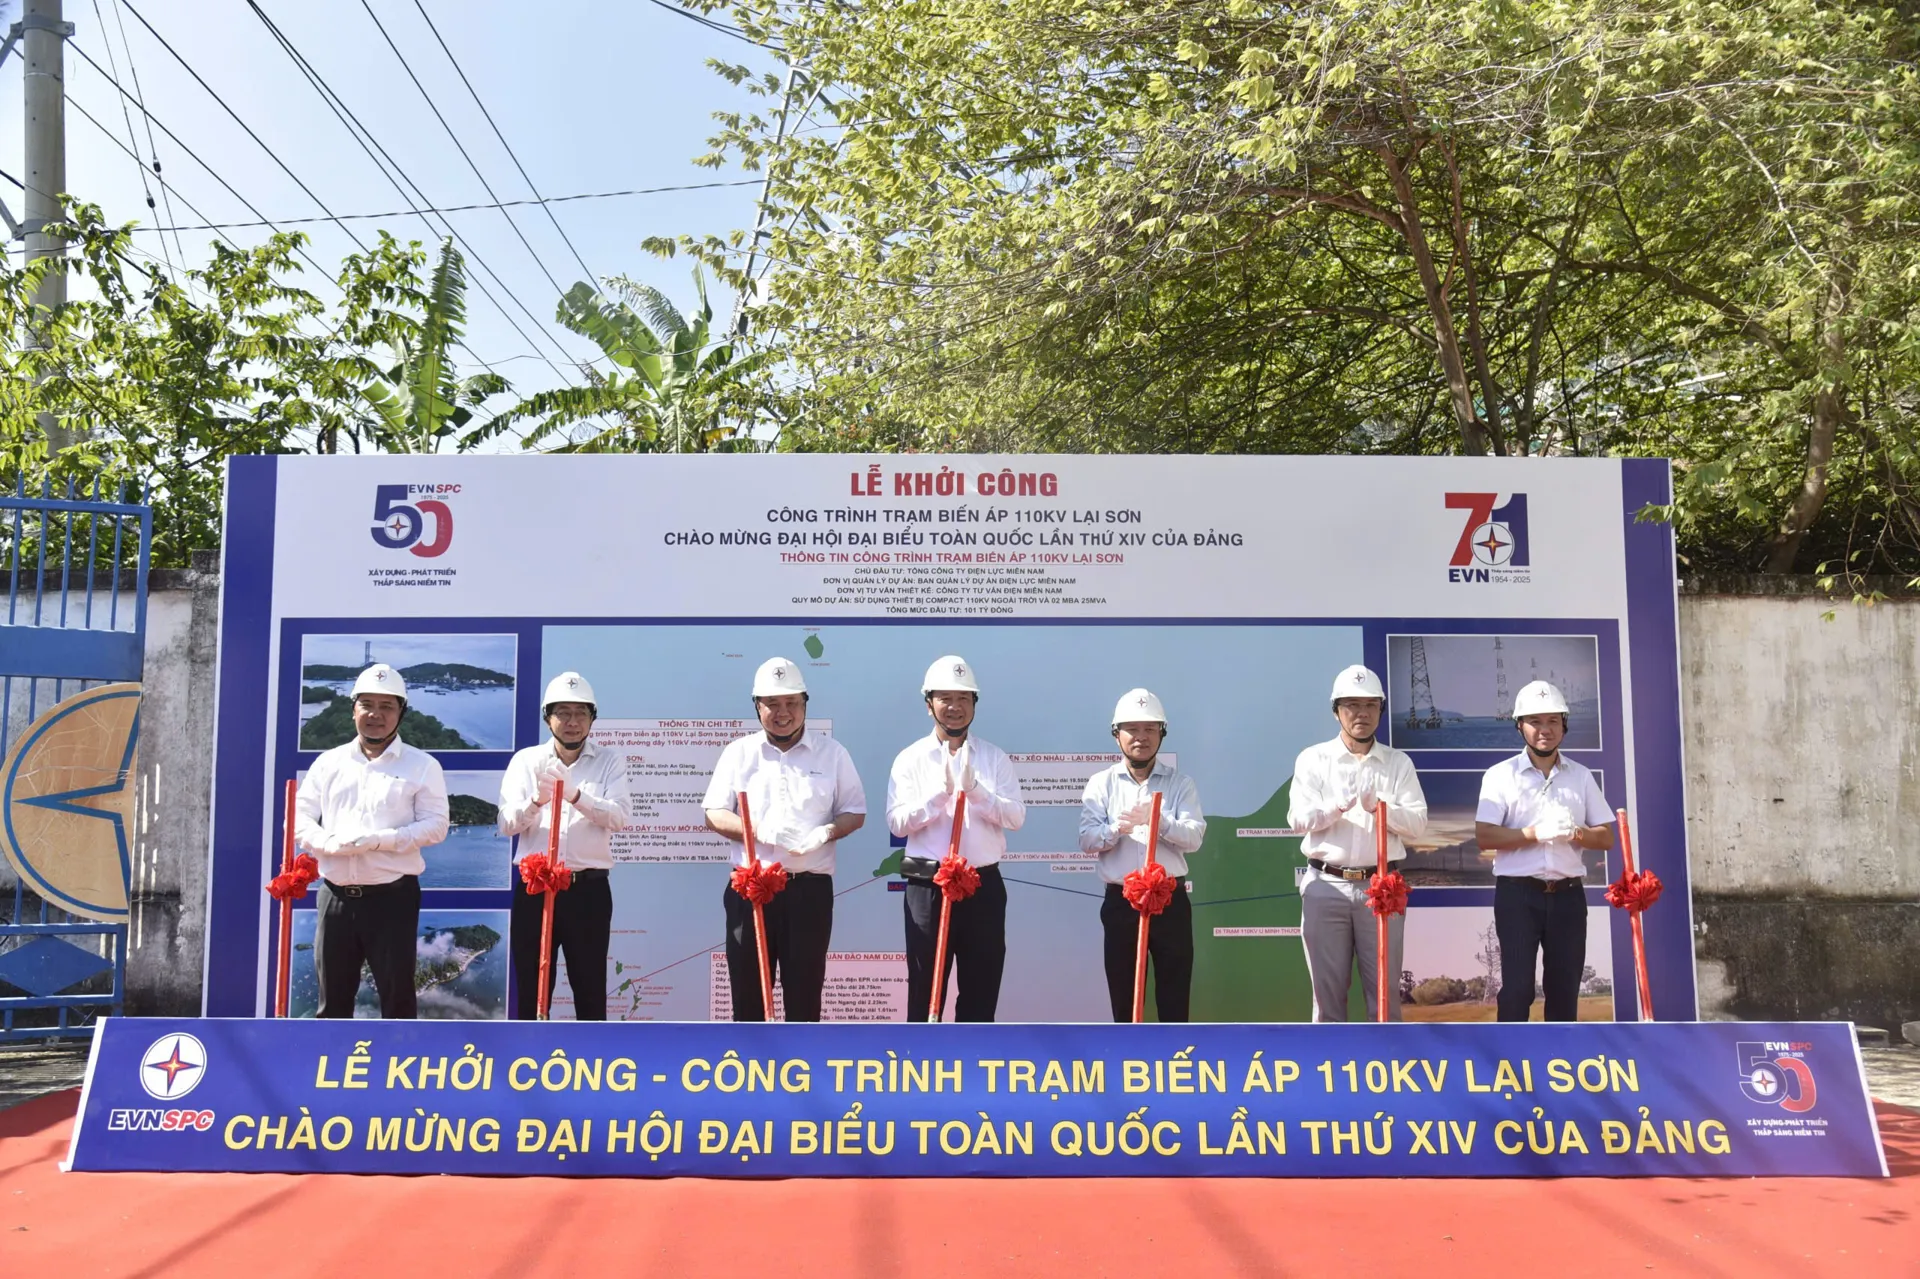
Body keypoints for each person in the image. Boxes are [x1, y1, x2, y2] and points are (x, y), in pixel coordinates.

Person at [703, 658, 866, 1021]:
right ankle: (750, 1059)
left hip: (808, 892)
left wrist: (826, 832)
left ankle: (800, 1060)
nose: (783, 713)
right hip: (751, 890)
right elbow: (714, 814)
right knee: (748, 998)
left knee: (804, 999)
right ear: (756, 706)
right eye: (772, 704)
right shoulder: (739, 753)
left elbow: (855, 812)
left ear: (805, 703)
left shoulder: (832, 754)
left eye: (792, 702)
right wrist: (759, 831)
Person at [294, 663, 448, 1018]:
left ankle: (398, 1056)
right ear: (353, 710)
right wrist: (325, 842)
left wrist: (380, 840)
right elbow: (299, 819)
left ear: (401, 713)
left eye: (386, 706)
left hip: (392, 899)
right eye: (367, 704)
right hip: (335, 898)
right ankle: (333, 1056)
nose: (375, 714)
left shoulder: (422, 765)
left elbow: (436, 826)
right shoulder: (328, 763)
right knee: (331, 1004)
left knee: (397, 1003)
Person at [887, 655, 1027, 1022]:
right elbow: (897, 823)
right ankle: (922, 1055)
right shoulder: (910, 759)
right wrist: (938, 796)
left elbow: (1015, 817)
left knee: (981, 989)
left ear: (975, 704)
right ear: (928, 704)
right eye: (945, 698)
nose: (955, 707)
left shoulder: (994, 758)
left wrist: (977, 791)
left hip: (983, 887)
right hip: (928, 885)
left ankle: (974, 1055)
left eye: (964, 698)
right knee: (925, 989)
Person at [1286, 664, 1428, 1022]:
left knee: (1384, 997)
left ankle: (1386, 1058)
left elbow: (1417, 825)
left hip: (1380, 888)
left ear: (1381, 709)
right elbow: (1297, 820)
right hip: (1326, 884)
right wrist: (1335, 808)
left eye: (1370, 705)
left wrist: (1381, 810)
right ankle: (1331, 1059)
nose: (1361, 713)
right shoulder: (1313, 759)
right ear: (1336, 711)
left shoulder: (1397, 763)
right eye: (1351, 705)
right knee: (1327, 998)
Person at [1473, 679, 1616, 1023]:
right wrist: (1533, 834)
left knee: (1564, 989)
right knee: (1517, 989)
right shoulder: (1500, 776)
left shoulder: (1581, 776)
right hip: (1518, 895)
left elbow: (1606, 837)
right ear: (1520, 726)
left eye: (1553, 721)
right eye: (1535, 721)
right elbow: (1485, 836)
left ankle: (1560, 1057)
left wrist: (1577, 832)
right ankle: (1510, 1055)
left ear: (1564, 725)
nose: (1545, 730)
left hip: (1568, 896)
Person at [499, 671, 630, 1020]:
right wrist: (536, 802)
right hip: (535, 890)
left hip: (588, 891)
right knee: (532, 989)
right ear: (548, 718)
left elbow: (618, 817)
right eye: (563, 713)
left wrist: (575, 796)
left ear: (592, 718)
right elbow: (506, 823)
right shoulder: (526, 761)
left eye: (581, 713)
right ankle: (530, 1051)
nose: (572, 722)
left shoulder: (610, 761)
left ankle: (592, 1053)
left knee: (590, 989)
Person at [1079, 688, 1208, 1022]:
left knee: (1174, 996)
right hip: (1121, 902)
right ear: (1116, 734)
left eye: (1150, 728)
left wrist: (1157, 820)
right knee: (1124, 997)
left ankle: (1175, 1053)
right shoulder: (1101, 783)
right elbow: (1087, 840)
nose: (1141, 737)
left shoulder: (1181, 784)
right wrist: (1117, 829)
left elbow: (1194, 838)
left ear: (1162, 733)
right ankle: (1127, 1053)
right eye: (1132, 729)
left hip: (1170, 901)